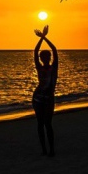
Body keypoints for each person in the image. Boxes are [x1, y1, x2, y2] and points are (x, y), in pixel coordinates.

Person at [32, 24, 58, 156]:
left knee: (48, 124)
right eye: (43, 58)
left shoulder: (53, 68)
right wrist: (41, 39)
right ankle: (44, 150)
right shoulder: (39, 67)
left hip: (48, 99)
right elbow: (35, 52)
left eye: (47, 57)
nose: (45, 59)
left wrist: (44, 37)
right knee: (40, 124)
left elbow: (54, 50)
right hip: (37, 98)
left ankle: (52, 149)